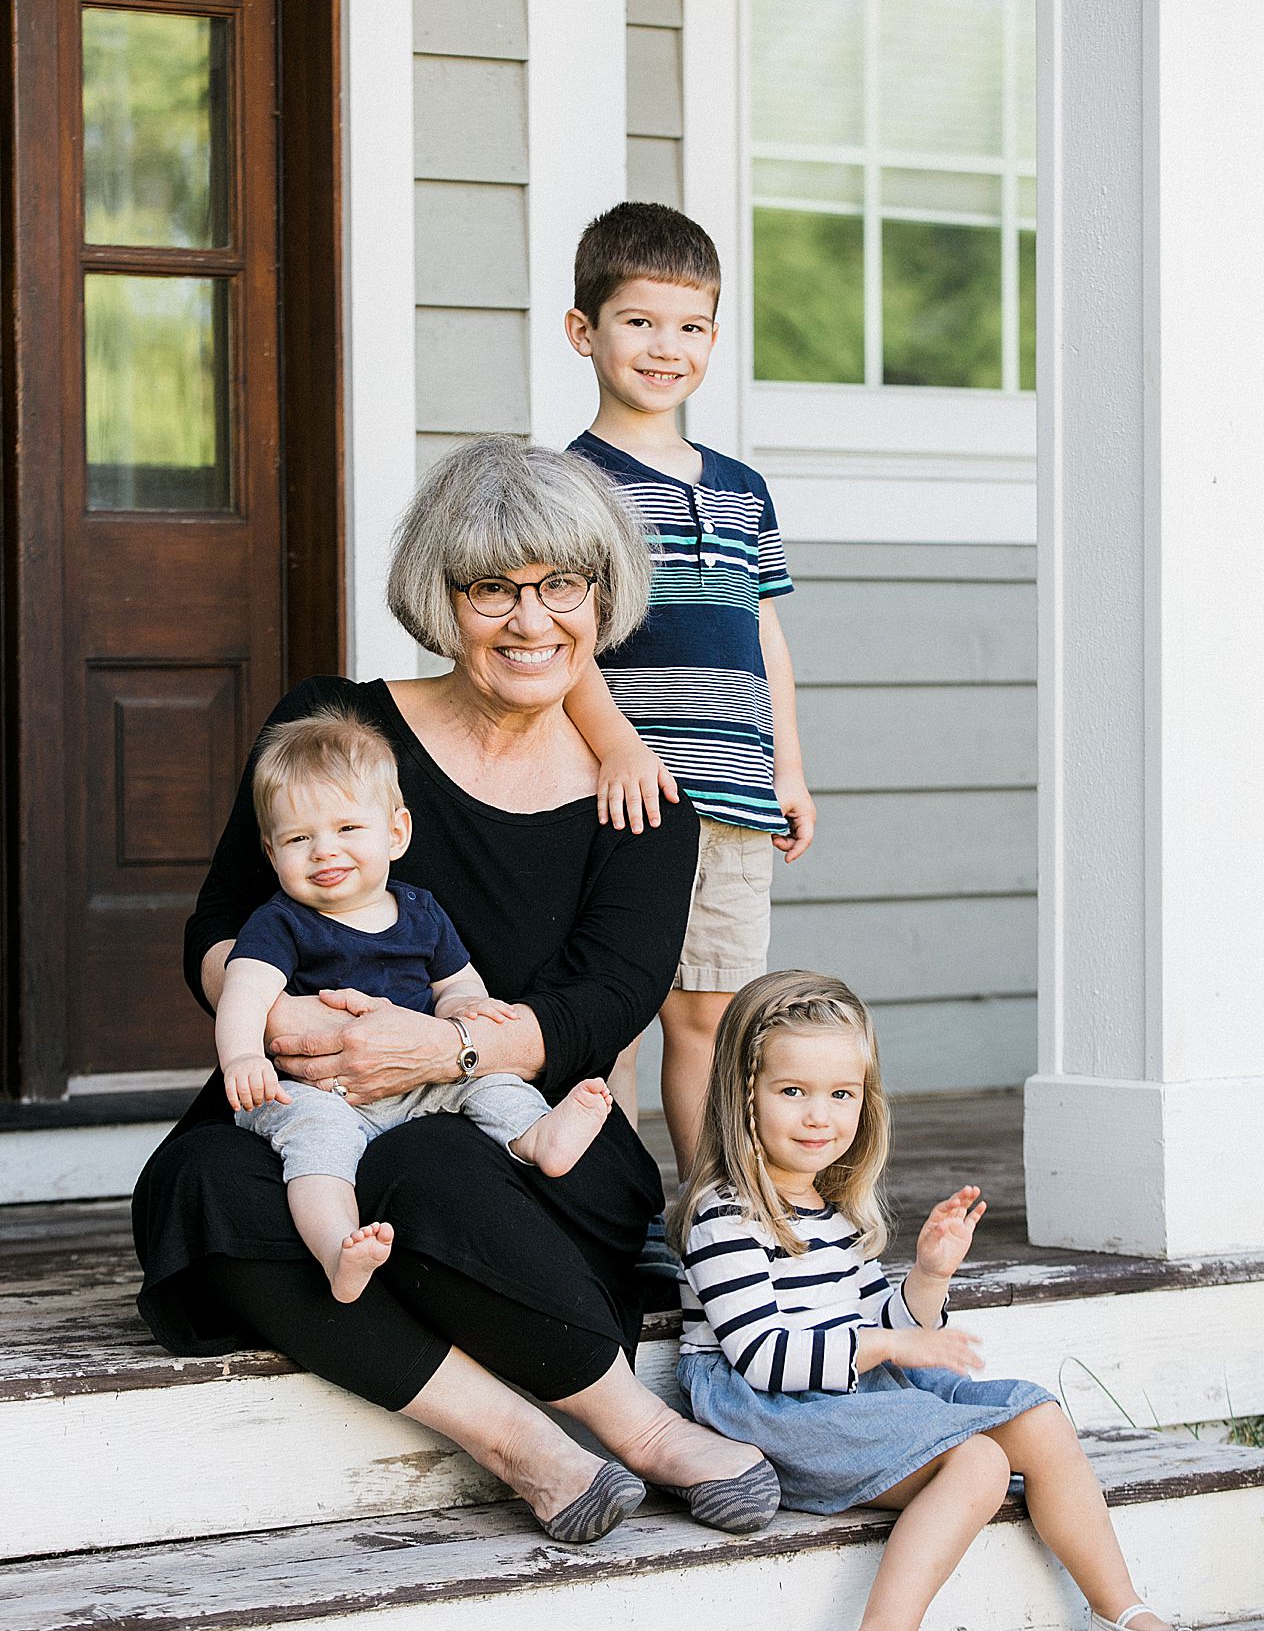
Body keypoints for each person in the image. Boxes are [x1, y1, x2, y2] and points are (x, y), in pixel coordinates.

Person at [133, 437, 780, 1548]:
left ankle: (640, 1432)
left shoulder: (640, 804)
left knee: (425, 1161)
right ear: (441, 598)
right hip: (321, 1103)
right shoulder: (339, 727)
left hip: (525, 1139)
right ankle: (524, 1446)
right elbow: (220, 923)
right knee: (198, 1181)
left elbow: (603, 1004)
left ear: (602, 593)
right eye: (492, 588)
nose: (531, 621)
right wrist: (274, 1016)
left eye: (560, 585)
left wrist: (445, 1054)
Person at [672, 970, 1202, 1631]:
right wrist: (888, 1350)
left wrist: (924, 1280)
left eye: (841, 1094)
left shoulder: (832, 1212)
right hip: (768, 1410)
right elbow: (763, 1355)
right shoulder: (723, 1215)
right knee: (979, 1459)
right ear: (741, 1095)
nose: (819, 1115)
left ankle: (1117, 1610)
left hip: (846, 1388)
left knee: (1038, 1416)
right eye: (792, 1091)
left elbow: (886, 1326)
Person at [561, 201, 816, 1179]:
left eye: (690, 326)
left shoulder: (743, 489)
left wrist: (786, 769)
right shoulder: (571, 485)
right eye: (638, 321)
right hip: (620, 800)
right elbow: (561, 642)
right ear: (584, 331)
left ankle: (706, 1212)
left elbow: (761, 631)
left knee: (710, 1014)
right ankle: (606, 1217)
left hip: (733, 798)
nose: (665, 347)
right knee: (616, 1014)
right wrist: (619, 746)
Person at [217, 705, 614, 1303]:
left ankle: (535, 1139)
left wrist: (466, 1012)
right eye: (300, 839)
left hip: (418, 1078)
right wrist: (242, 1057)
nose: (325, 851)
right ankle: (337, 1250)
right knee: (316, 1140)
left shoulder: (420, 911)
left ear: (395, 833)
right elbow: (244, 991)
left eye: (347, 829)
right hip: (321, 1088)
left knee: (490, 1080)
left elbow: (456, 982)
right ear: (273, 856)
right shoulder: (280, 923)